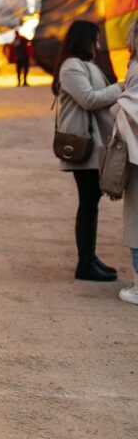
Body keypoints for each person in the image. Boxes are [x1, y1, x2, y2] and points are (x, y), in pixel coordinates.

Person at [52, 19, 121, 281]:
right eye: (96, 40)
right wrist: (120, 88)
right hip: (84, 146)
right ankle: (85, 263)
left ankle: (90, 258)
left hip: (95, 145)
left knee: (91, 203)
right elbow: (89, 99)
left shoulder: (86, 65)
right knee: (88, 203)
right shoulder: (71, 67)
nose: (99, 45)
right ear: (85, 40)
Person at [111, 19, 138, 303]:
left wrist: (117, 103)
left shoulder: (136, 69)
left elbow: (129, 107)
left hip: (136, 153)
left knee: (136, 221)